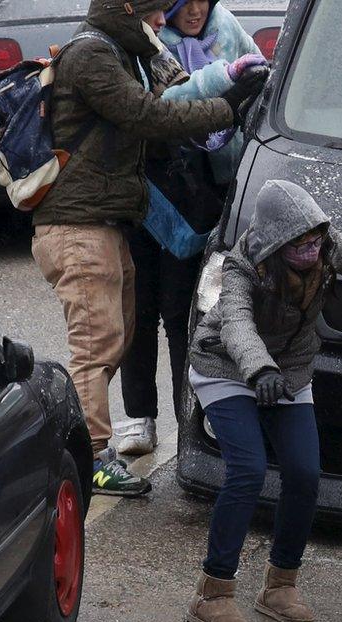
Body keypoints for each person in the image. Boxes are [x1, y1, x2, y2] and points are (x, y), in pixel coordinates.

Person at [30, 0, 267, 496]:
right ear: (128, 7)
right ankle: (91, 455)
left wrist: (228, 78)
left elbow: (178, 90)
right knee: (95, 346)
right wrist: (228, 106)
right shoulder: (92, 57)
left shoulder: (133, 50)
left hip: (105, 222)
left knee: (115, 338)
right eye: (157, 10)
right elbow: (149, 114)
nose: (165, 20)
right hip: (77, 226)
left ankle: (95, 448)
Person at [185, 179, 342, 622]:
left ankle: (280, 584)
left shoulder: (326, 245)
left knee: (304, 472)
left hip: (290, 371)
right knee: (247, 470)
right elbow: (236, 324)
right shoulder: (243, 267)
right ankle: (213, 592)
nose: (311, 250)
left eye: (315, 241)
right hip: (227, 367)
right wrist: (260, 371)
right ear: (277, 242)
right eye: (299, 244)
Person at [115, 0, 267, 455]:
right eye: (183, 2)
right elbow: (158, 108)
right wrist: (225, 84)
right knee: (138, 310)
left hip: (202, 194)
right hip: (147, 193)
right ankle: (140, 416)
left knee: (184, 313)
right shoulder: (147, 44)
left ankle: (190, 419)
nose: (195, 10)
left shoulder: (228, 31)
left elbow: (260, 97)